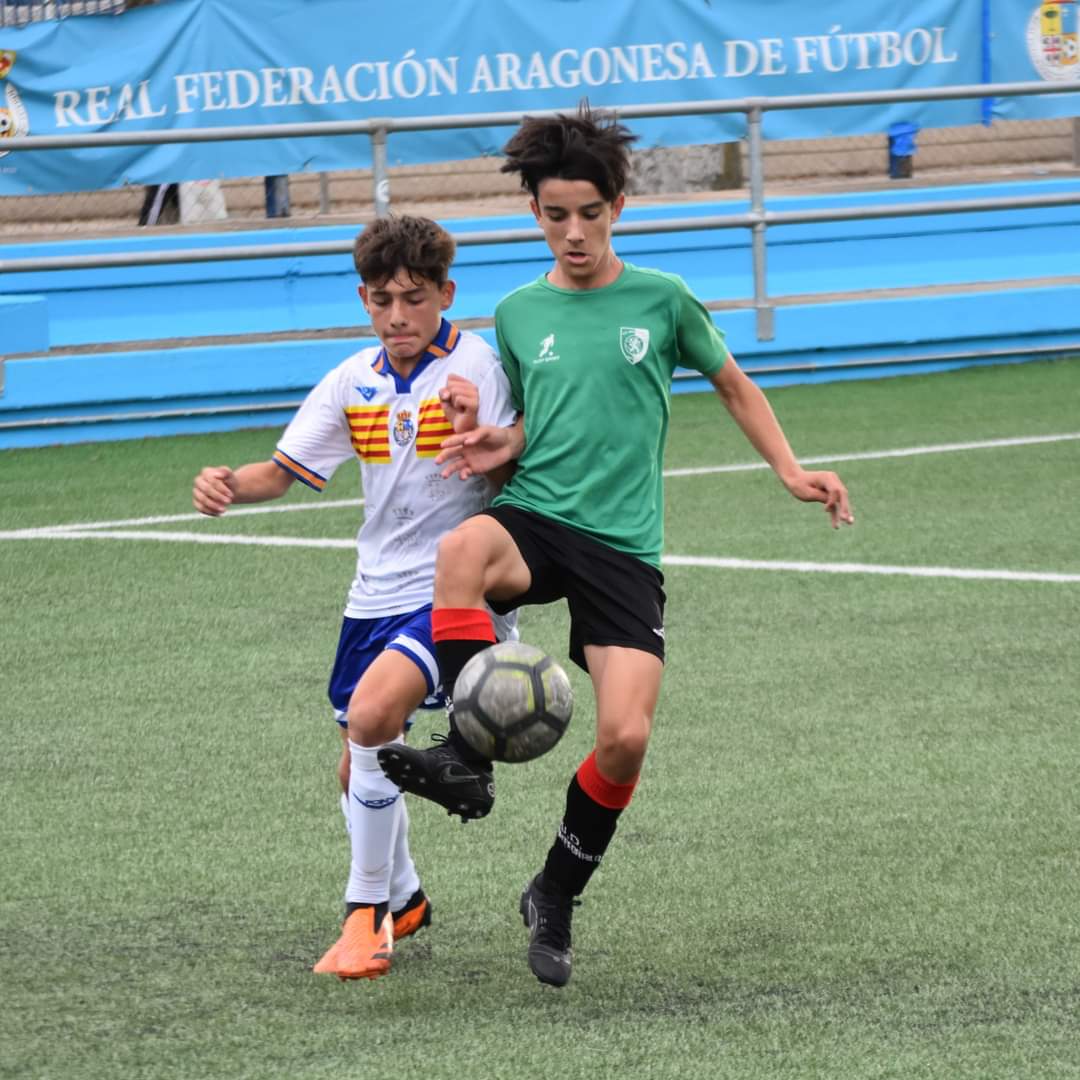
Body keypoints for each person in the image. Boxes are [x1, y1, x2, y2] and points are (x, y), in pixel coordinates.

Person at [378, 105, 855, 988]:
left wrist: (791, 470)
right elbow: (533, 420)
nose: (574, 232)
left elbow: (735, 385)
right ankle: (467, 757)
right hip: (538, 514)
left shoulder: (662, 300)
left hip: (623, 546)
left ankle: (554, 893)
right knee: (462, 554)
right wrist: (499, 440)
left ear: (618, 209)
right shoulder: (518, 312)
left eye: (589, 214)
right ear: (535, 214)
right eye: (556, 215)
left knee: (626, 737)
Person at [191, 215, 517, 981]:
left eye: (413, 298)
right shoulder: (352, 380)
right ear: (363, 300)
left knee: (371, 720)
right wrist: (230, 483)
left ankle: (364, 917)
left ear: (446, 294)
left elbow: (514, 478)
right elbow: (283, 471)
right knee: (356, 767)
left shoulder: (479, 368)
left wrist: (477, 430)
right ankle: (405, 897)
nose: (397, 315)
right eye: (381, 300)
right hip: (371, 594)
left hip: (454, 593)